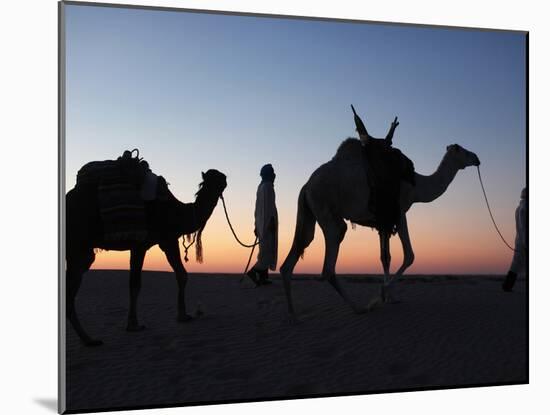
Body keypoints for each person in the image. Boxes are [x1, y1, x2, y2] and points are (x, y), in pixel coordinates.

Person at [351, 105, 414, 234]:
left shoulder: (373, 143)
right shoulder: (367, 147)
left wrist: (392, 128)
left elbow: (387, 141)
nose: (359, 132)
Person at [246, 164, 279, 286]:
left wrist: (256, 225)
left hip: (261, 224)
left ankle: (263, 277)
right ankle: (254, 272)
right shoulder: (267, 187)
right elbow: (266, 207)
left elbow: (257, 209)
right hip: (266, 225)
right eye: (272, 173)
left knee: (265, 250)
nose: (274, 175)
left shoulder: (261, 187)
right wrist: (270, 222)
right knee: (266, 252)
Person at [502, 187, 527, 292]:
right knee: (516, 266)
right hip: (524, 242)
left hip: (520, 241)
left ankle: (507, 286)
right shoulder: (524, 208)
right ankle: (507, 286)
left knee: (515, 266)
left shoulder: (520, 207)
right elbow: (524, 227)